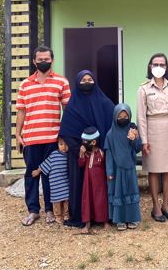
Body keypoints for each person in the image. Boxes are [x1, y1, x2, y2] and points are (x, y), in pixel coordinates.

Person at [16, 45, 71, 226]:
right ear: (34, 61)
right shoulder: (25, 85)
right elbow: (21, 111)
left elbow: (67, 110)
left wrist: (65, 135)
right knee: (31, 175)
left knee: (50, 176)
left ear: (52, 60)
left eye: (46, 59)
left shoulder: (61, 82)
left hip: (53, 139)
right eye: (40, 59)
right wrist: (17, 135)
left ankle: (49, 210)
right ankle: (33, 211)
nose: (43, 62)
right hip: (31, 139)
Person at [58, 70, 114, 228]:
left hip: (99, 155)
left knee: (100, 188)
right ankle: (82, 217)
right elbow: (66, 131)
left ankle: (102, 216)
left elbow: (117, 118)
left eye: (90, 79)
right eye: (83, 80)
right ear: (77, 83)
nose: (87, 82)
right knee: (79, 186)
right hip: (79, 155)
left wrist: (132, 127)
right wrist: (81, 149)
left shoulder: (103, 102)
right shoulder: (72, 106)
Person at [137, 53, 168, 222]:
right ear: (150, 67)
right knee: (154, 168)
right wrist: (144, 140)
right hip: (152, 129)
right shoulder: (143, 89)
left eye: (162, 64)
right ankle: (155, 206)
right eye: (155, 64)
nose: (159, 67)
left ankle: (166, 204)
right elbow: (141, 116)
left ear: (166, 67)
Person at [104, 103, 143, 231]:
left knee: (131, 192)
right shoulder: (110, 135)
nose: (122, 119)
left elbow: (137, 148)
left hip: (130, 168)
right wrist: (109, 171)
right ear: (115, 117)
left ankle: (132, 218)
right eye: (120, 116)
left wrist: (134, 139)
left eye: (125, 116)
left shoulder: (132, 131)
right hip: (117, 170)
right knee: (118, 193)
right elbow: (109, 155)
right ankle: (119, 219)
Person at [31, 137, 70, 225]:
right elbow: (45, 164)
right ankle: (58, 216)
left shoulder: (69, 156)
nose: (64, 147)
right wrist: (38, 171)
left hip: (65, 184)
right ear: (57, 145)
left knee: (66, 200)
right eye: (61, 144)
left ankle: (66, 215)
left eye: (66, 145)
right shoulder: (54, 155)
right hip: (55, 185)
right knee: (56, 202)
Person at [79, 126, 109, 234]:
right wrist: (81, 154)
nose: (83, 144)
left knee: (101, 200)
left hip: (100, 183)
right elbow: (81, 164)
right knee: (87, 200)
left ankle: (105, 221)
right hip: (88, 183)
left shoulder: (101, 152)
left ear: (93, 142)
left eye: (85, 141)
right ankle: (87, 223)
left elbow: (106, 166)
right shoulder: (86, 153)